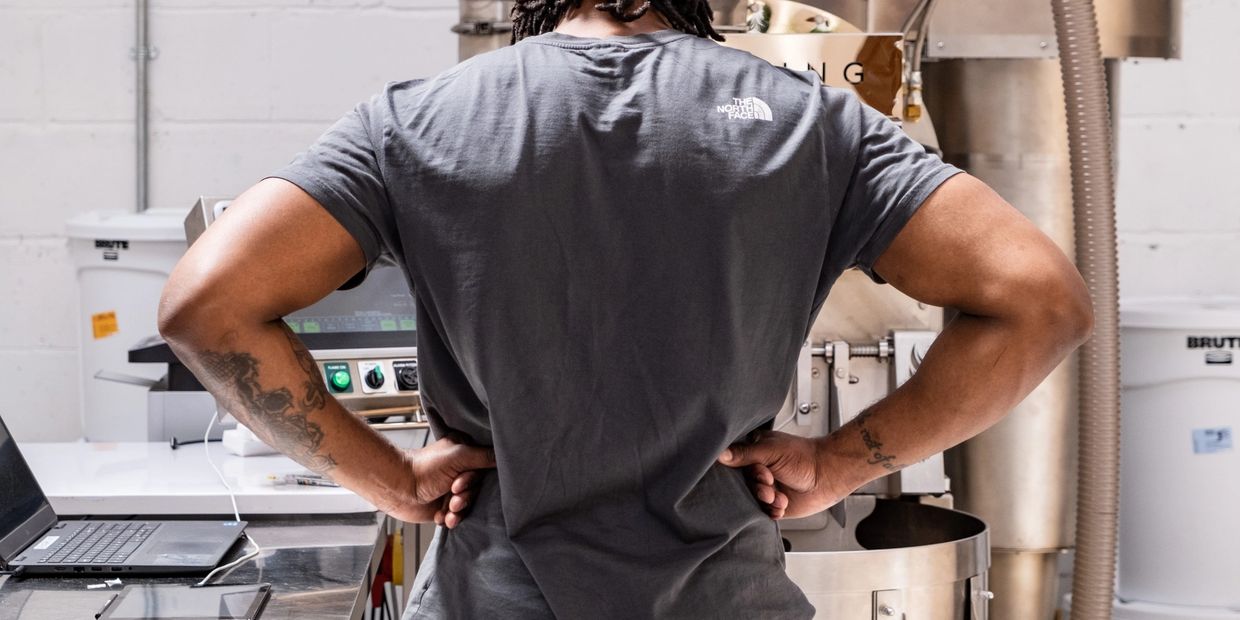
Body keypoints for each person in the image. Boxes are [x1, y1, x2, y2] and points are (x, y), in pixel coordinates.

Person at [157, 0, 1094, 616]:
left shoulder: (416, 121)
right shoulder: (812, 123)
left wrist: (388, 478)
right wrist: (841, 463)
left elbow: (207, 306)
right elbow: (1042, 302)